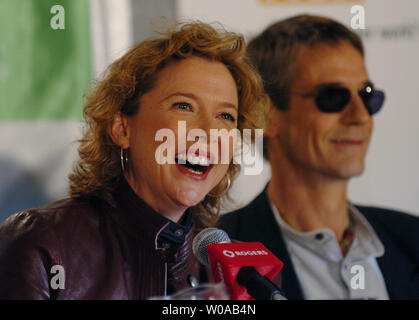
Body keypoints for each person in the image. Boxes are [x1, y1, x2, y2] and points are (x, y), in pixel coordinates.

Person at [0, 21, 267, 299]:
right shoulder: (42, 246)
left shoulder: (245, 274)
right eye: (184, 106)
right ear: (122, 128)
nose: (210, 133)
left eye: (226, 116)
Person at [218, 15, 419, 300]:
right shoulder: (215, 254)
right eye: (332, 96)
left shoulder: (412, 238)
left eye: (367, 95)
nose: (360, 116)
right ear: (265, 114)